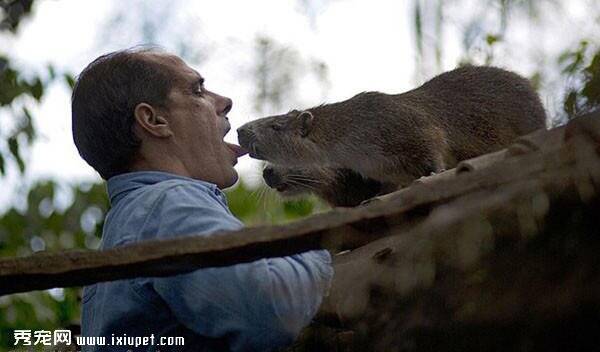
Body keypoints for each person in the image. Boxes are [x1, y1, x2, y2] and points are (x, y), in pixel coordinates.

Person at [71, 47, 333, 352]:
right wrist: (327, 243)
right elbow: (272, 308)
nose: (224, 102)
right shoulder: (169, 205)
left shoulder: (130, 224)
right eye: (197, 90)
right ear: (153, 120)